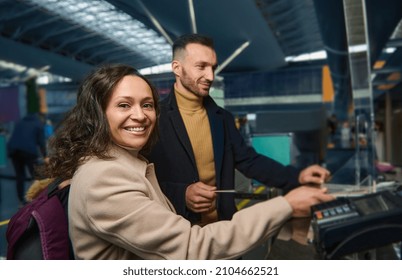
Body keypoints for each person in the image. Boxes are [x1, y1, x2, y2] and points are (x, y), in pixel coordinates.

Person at [42, 64, 333, 259]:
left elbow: (248, 159)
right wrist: (287, 204)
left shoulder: (127, 159)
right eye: (123, 105)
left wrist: (294, 182)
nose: (141, 116)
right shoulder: (105, 177)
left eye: (147, 104)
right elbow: (193, 247)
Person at [146, 34, 331, 225]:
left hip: (224, 229)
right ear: (177, 67)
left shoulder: (222, 119)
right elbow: (140, 179)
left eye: (213, 68)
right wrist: (181, 194)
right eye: (201, 67)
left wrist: (297, 176)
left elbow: (249, 161)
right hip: (177, 232)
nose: (210, 76)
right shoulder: (154, 119)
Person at [7, 113, 47, 205]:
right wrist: (45, 156)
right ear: (41, 119)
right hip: (28, 151)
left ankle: (21, 200)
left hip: (14, 150)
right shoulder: (38, 124)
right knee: (36, 175)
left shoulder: (20, 122)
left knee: (19, 176)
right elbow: (42, 143)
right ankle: (35, 199)